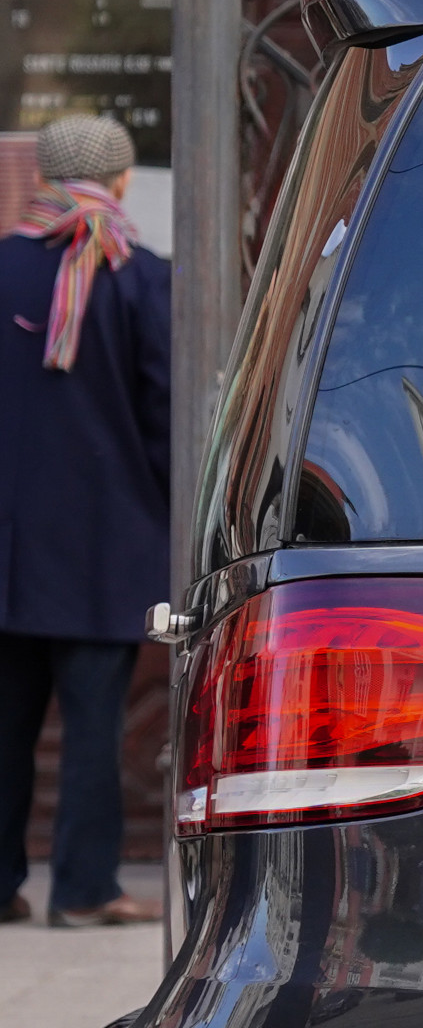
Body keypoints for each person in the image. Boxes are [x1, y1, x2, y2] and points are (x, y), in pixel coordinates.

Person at [0, 115, 169, 926]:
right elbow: (166, 413)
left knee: (4, 722)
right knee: (95, 722)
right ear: (122, 181)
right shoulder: (138, 276)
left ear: (41, 181)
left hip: (5, 545)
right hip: (103, 540)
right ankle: (84, 889)